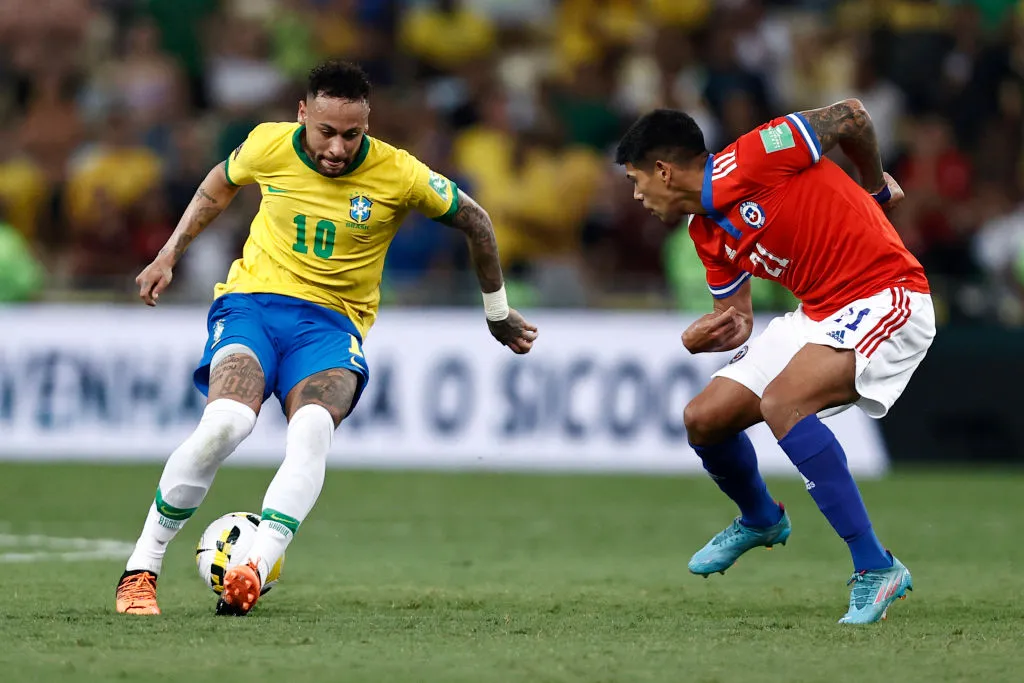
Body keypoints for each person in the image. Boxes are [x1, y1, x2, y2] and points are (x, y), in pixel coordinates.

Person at [115, 60, 538, 617]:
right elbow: (219, 185)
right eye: (326, 132)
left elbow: (477, 221)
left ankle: (253, 569)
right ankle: (141, 569)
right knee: (227, 423)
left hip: (332, 326)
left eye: (352, 134)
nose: (337, 149)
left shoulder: (399, 172)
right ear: (302, 115)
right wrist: (171, 253)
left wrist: (497, 310)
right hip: (252, 307)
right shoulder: (268, 145)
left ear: (368, 124)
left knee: (313, 428)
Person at [615, 100, 934, 624]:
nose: (636, 195)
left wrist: (875, 189)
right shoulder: (706, 231)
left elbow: (852, 116)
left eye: (636, 179)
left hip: (887, 295)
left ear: (664, 171)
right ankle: (761, 517)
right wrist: (707, 336)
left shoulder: (757, 155)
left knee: (783, 402)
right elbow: (735, 317)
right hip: (818, 312)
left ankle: (876, 566)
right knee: (704, 419)